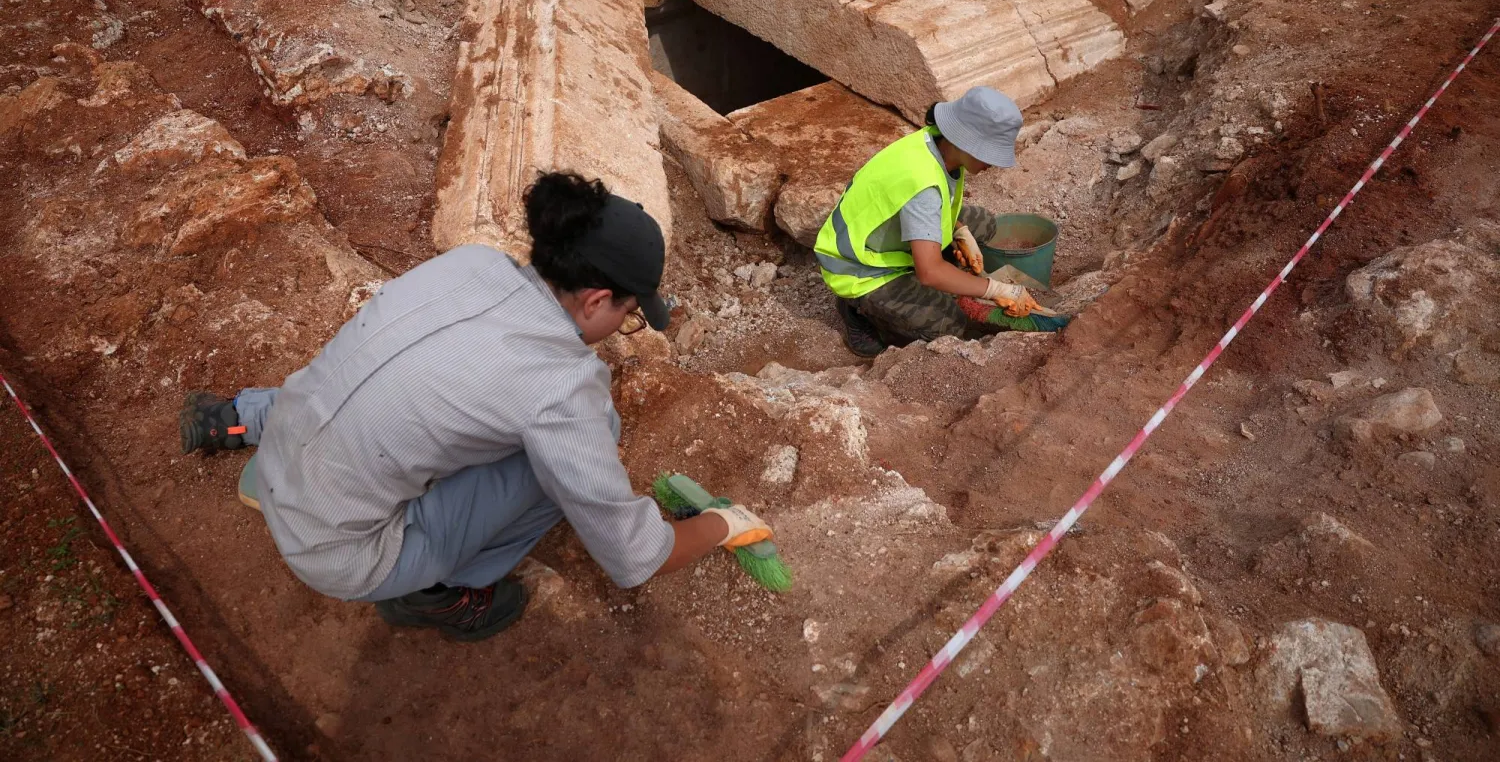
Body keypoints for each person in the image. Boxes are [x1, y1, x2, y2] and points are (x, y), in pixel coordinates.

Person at [177, 172, 772, 642]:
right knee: (565, 460)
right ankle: (439, 593)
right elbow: (635, 556)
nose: (625, 325)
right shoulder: (562, 387)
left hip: (289, 439)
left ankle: (239, 417)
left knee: (400, 378)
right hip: (341, 553)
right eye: (629, 314)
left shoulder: (472, 263)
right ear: (595, 300)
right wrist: (723, 524)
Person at [814, 85, 1045, 357]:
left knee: (983, 223)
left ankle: (943, 269)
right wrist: (994, 289)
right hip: (861, 269)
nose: (993, 163)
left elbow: (932, 206)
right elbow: (930, 272)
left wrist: (959, 230)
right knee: (950, 326)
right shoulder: (922, 183)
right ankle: (860, 312)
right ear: (965, 141)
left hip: (889, 240)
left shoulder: (935, 144)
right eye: (990, 153)